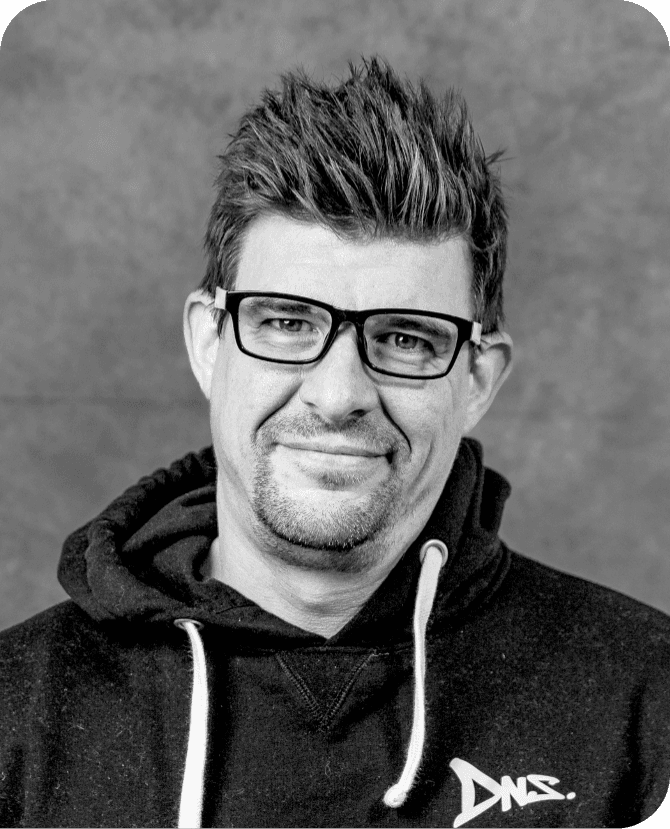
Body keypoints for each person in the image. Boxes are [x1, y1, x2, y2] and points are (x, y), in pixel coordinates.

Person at [0, 58, 668, 829]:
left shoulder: (644, 696)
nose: (339, 393)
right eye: (287, 322)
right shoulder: (19, 713)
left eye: (406, 337)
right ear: (209, 343)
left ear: (478, 378)